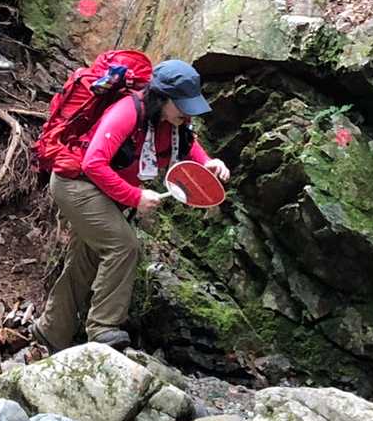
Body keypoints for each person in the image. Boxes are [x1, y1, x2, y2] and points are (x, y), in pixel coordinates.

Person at [33, 59, 231, 352]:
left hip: (105, 193)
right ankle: (102, 327)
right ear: (162, 98)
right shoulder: (127, 111)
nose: (188, 112)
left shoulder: (176, 122)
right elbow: (93, 163)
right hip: (76, 184)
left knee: (85, 261)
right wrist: (135, 197)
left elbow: (190, 147)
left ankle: (51, 331)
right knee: (124, 246)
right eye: (182, 105)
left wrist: (209, 163)